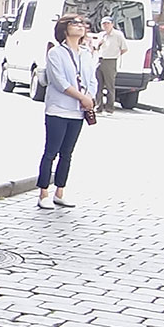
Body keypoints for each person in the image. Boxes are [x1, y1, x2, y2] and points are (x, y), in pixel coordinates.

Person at [38, 14, 97, 209]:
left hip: (77, 112)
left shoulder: (86, 53)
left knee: (67, 153)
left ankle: (60, 191)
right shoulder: (56, 53)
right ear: (64, 28)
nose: (80, 27)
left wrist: (90, 97)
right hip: (59, 109)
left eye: (82, 24)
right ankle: (43, 192)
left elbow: (92, 79)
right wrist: (82, 97)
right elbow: (59, 81)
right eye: (75, 23)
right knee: (50, 152)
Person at [95, 15, 126, 113]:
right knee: (98, 85)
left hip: (110, 61)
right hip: (99, 60)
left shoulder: (118, 35)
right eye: (104, 24)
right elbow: (95, 47)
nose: (106, 26)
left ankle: (109, 108)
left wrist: (115, 55)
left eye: (108, 23)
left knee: (109, 86)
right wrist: (98, 44)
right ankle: (98, 106)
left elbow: (124, 49)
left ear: (112, 24)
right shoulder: (101, 35)